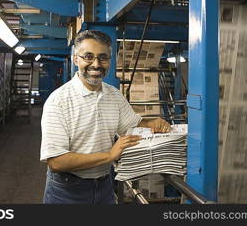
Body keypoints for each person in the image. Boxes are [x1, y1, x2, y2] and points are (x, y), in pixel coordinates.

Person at [40, 30, 171, 204]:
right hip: (67, 191)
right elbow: (56, 161)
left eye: (103, 57)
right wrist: (109, 155)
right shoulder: (59, 101)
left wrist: (151, 123)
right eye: (88, 56)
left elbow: (132, 125)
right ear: (75, 59)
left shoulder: (114, 95)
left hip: (104, 187)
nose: (96, 64)